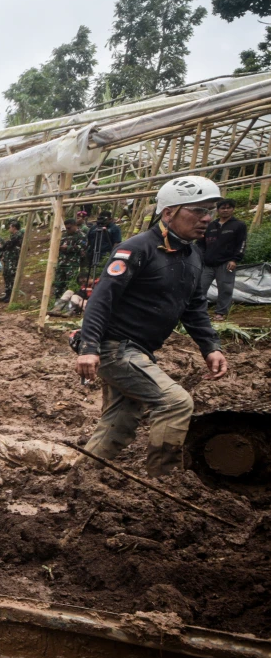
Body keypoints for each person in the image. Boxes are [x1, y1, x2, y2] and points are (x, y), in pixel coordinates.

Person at [75, 175, 228, 478]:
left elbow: (195, 307)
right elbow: (101, 300)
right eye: (197, 210)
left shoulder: (193, 254)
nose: (206, 218)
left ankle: (79, 481)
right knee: (176, 403)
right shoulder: (136, 249)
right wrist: (89, 347)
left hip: (139, 351)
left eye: (209, 210)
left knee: (119, 424)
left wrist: (211, 347)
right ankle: (164, 483)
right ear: (168, 212)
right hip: (114, 349)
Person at [197, 198, 248, 321]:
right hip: (208, 263)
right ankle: (198, 311)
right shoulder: (211, 225)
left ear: (232, 209)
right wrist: (201, 257)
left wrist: (235, 260)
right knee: (200, 288)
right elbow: (200, 242)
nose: (225, 210)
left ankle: (220, 313)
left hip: (226, 263)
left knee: (225, 288)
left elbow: (242, 243)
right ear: (218, 210)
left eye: (228, 208)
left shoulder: (238, 225)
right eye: (222, 208)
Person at [53, 219, 88, 299]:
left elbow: (82, 247)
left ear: (75, 226)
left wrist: (68, 248)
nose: (68, 230)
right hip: (62, 262)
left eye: (69, 228)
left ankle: (69, 299)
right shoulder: (64, 235)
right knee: (59, 282)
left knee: (70, 282)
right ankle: (57, 299)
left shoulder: (81, 235)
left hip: (73, 264)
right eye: (66, 228)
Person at [0, 220, 23, 302]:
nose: (9, 229)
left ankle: (12, 295)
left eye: (10, 227)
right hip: (8, 259)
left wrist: (4, 246)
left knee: (11, 275)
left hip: (13, 259)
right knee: (6, 275)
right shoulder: (13, 235)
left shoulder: (18, 234)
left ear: (14, 227)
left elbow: (9, 244)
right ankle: (8, 293)